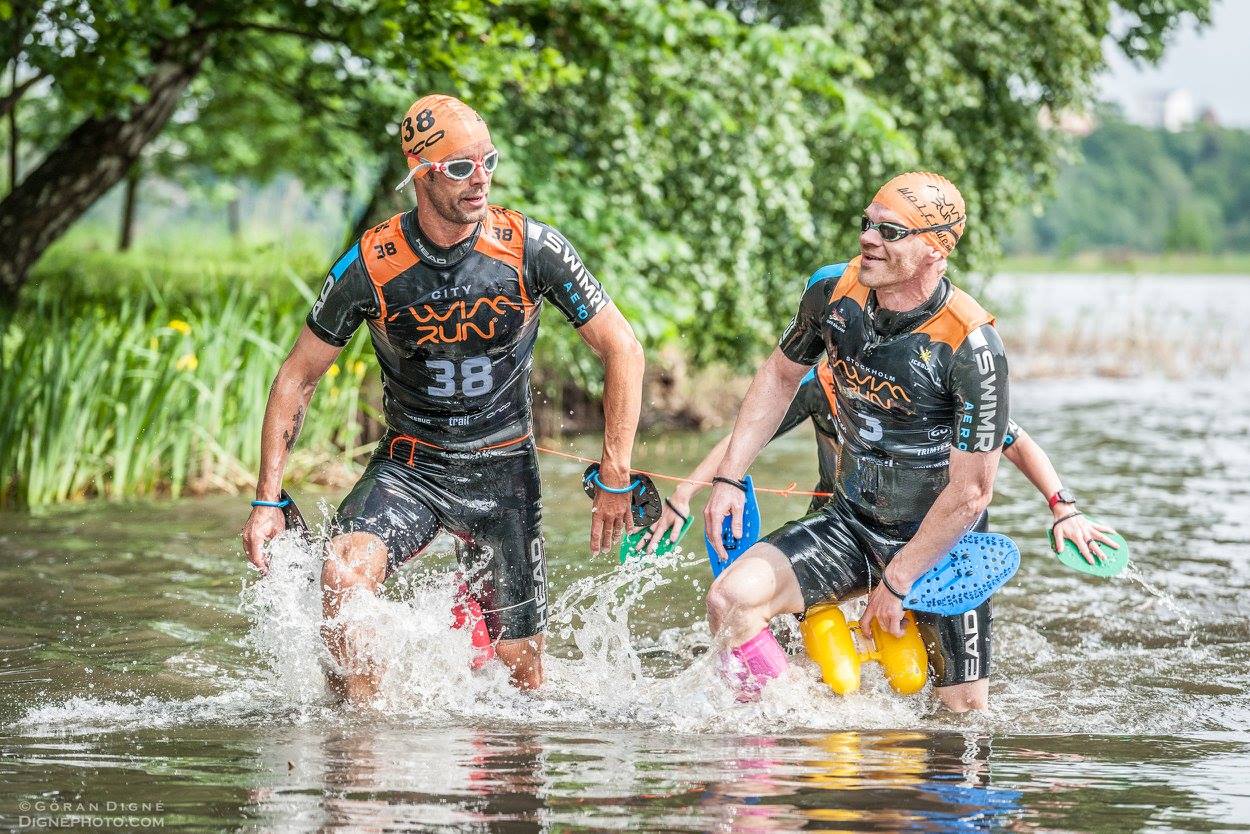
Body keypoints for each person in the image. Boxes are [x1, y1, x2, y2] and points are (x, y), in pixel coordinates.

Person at [241, 95, 645, 700]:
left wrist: (615, 468)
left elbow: (623, 348)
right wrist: (267, 499)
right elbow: (297, 376)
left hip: (504, 469)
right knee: (342, 574)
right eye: (460, 167)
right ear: (419, 173)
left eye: (487, 161)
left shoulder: (530, 247)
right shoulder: (373, 265)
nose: (479, 178)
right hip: (412, 467)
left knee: (522, 674)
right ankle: (359, 754)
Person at [701, 171, 1043, 712]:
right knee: (729, 600)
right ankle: (784, 738)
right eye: (866, 224)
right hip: (852, 522)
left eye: (890, 230)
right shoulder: (835, 293)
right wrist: (728, 477)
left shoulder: (973, 347)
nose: (867, 238)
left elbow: (972, 493)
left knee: (964, 722)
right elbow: (779, 376)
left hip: (941, 548)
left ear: (935, 248)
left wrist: (899, 579)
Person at [647, 354, 1116, 564]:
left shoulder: (921, 381)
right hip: (839, 518)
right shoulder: (815, 385)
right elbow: (741, 438)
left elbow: (1015, 441)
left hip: (920, 525)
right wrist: (685, 493)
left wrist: (1063, 507)